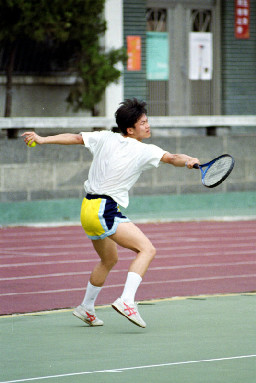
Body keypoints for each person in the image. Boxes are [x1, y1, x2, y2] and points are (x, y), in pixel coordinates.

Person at [22, 98, 200, 328]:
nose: (147, 125)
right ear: (130, 129)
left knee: (109, 259)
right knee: (147, 249)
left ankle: (86, 307)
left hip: (87, 209)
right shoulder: (144, 150)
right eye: (143, 122)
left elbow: (76, 137)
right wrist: (189, 162)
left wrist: (42, 139)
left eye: (147, 121)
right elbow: (173, 158)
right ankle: (127, 301)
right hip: (104, 209)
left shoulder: (104, 136)